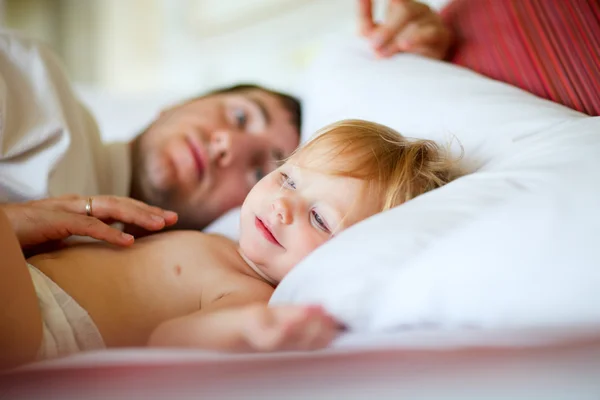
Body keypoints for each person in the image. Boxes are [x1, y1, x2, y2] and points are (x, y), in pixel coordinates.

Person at [0, 119, 461, 370]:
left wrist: (249, 327)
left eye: (320, 218)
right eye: (288, 178)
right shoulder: (220, 242)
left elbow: (169, 339)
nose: (283, 204)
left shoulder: (247, 290)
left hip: (41, 327)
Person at [0, 0, 453, 231]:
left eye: (261, 168)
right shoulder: (36, 92)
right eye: (239, 117)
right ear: (177, 103)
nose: (229, 146)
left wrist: (414, 60)